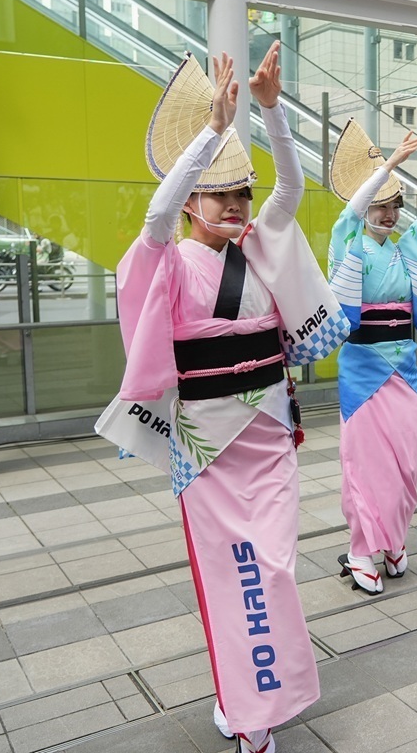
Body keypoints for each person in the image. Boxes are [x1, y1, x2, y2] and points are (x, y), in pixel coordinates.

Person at [96, 45, 343, 753]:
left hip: (269, 442)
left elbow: (291, 191)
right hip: (206, 453)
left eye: (241, 193)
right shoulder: (166, 259)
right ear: (192, 203)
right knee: (234, 582)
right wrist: (211, 131)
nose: (235, 207)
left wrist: (270, 111)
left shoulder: (261, 247)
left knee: (277, 570)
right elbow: (153, 217)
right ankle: (248, 716)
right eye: (219, 195)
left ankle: (254, 696)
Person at [327, 115, 417, 592]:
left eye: (395, 205)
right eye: (381, 205)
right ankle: (361, 549)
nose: (389, 214)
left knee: (406, 463)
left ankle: (393, 538)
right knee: (365, 465)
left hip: (404, 369)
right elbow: (353, 209)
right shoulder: (347, 242)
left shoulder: (408, 248)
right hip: (362, 372)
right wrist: (389, 164)